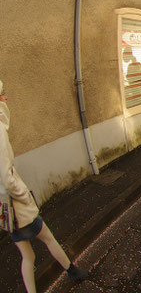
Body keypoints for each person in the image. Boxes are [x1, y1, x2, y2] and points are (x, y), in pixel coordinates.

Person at [0, 80, 87, 292]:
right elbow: (5, 177)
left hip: (6, 212)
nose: (6, 98)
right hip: (17, 207)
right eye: (2, 94)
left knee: (27, 255)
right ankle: (72, 270)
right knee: (48, 238)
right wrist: (24, 196)